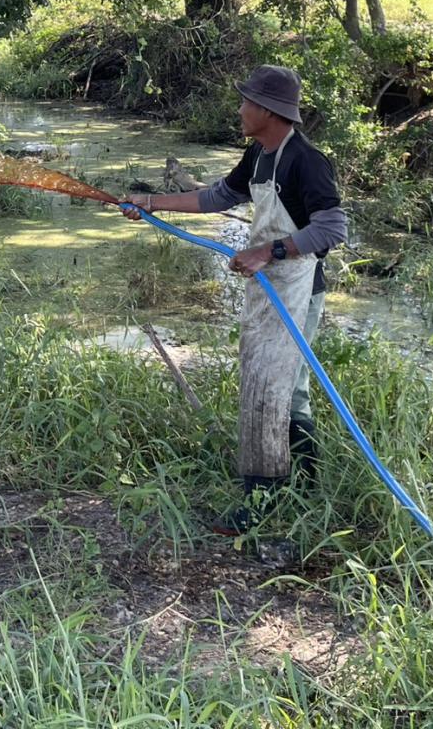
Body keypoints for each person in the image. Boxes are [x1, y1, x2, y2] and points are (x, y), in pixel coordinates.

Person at [121, 64, 347, 535]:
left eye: (246, 102)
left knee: (277, 391)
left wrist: (269, 250)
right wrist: (152, 203)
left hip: (298, 289)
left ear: (267, 110)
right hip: (268, 287)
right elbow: (218, 197)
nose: (240, 109)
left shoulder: (305, 160)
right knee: (272, 387)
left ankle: (265, 501)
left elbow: (331, 229)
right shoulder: (259, 156)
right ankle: (294, 489)